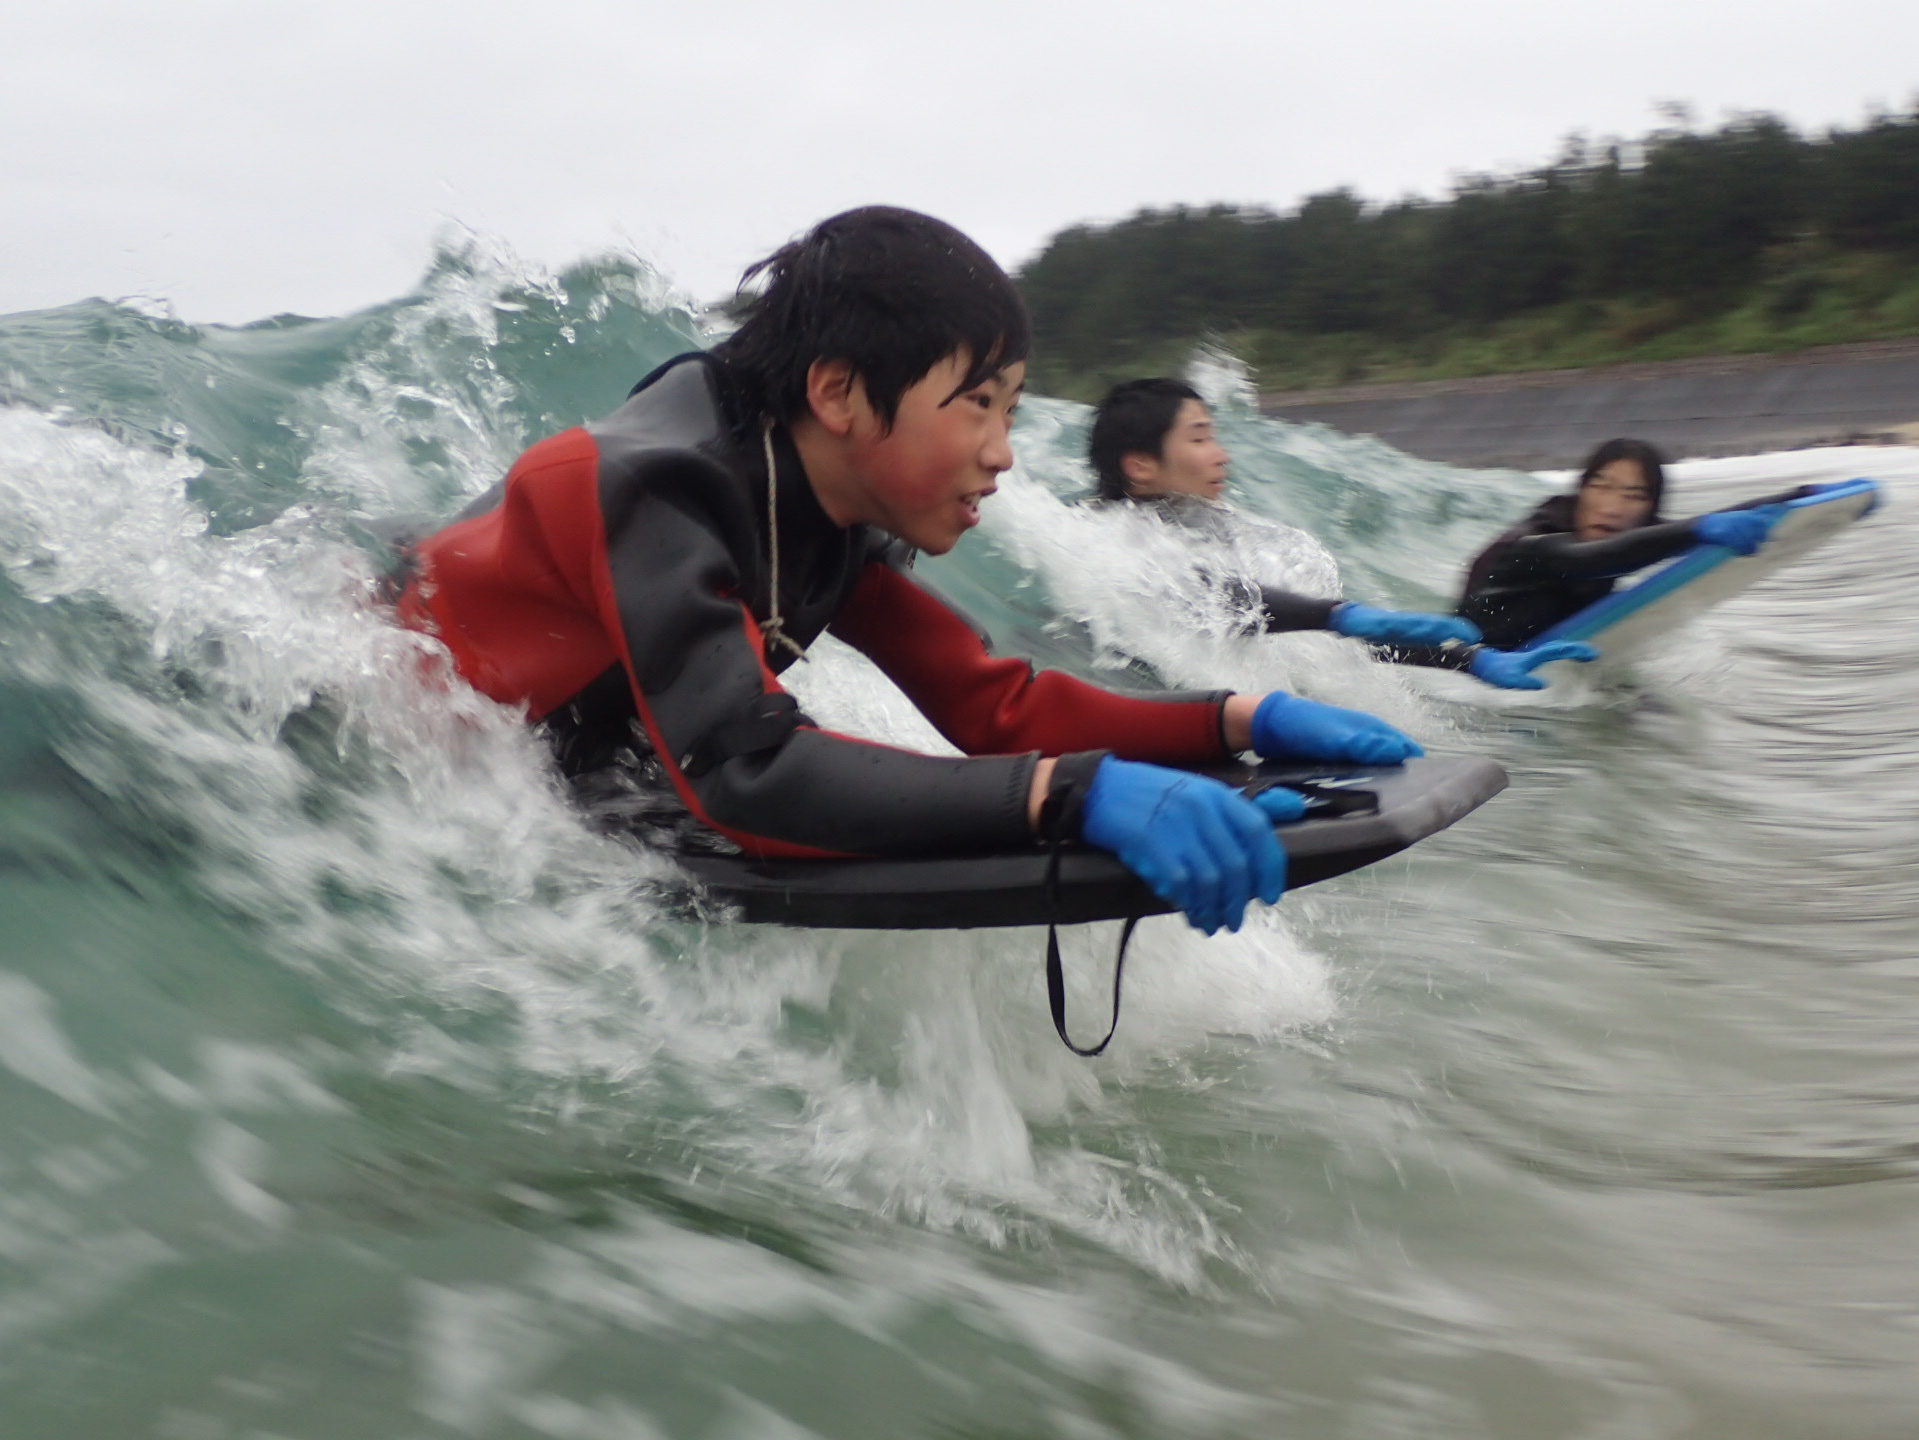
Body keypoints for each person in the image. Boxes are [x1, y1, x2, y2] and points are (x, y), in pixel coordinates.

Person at [392, 207, 1425, 945]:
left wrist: (1234, 726)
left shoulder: (827, 509)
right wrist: (1067, 799)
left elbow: (993, 706)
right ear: (838, 393)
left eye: (1011, 412)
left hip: (576, 755)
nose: (1002, 452)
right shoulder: (645, 490)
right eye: (977, 404)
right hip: (391, 738)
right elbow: (745, 778)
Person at [1086, 378, 1597, 690]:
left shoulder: (1205, 528)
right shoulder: (1113, 540)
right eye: (1200, 437)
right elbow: (1217, 598)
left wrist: (1470, 659)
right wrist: (1339, 614)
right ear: (1141, 466)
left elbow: (1316, 638)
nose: (1222, 454)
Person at [1459, 438, 1786, 648]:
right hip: (1466, 668)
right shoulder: (1532, 543)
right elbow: (1593, 559)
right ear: (1581, 491)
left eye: (1634, 496)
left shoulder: (1634, 537)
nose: (1613, 507)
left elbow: (1689, 528)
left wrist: (1799, 496)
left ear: (1649, 512)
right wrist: (1698, 529)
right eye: (1601, 486)